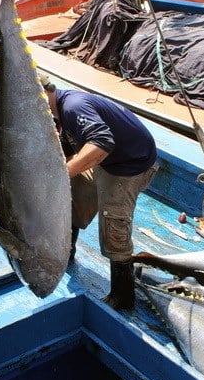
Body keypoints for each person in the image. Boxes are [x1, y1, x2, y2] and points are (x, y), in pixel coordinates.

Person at [41, 75, 158, 310]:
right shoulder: (57, 113)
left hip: (130, 166)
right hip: (107, 163)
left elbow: (102, 142)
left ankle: (123, 295)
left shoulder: (73, 107)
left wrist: (61, 174)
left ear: (44, 93)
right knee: (73, 187)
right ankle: (67, 250)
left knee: (113, 222)